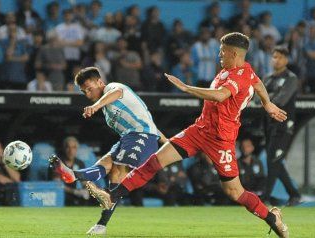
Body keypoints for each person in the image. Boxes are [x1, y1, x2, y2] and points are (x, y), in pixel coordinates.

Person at [85, 32, 289, 238]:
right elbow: (259, 83)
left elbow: (220, 95)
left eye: (223, 51)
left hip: (221, 140)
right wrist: (267, 103)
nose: (219, 54)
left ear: (234, 53)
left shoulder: (239, 76)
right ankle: (111, 198)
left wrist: (185, 87)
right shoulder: (243, 70)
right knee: (153, 162)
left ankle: (272, 218)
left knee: (234, 192)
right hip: (199, 130)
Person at [49, 66, 167, 235]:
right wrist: (170, 143)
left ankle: (104, 198)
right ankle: (75, 179)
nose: (88, 95)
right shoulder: (107, 111)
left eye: (90, 89)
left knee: (117, 173)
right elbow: (154, 126)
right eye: (84, 92)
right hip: (129, 138)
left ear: (100, 82)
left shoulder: (112, 87)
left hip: (142, 136)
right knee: (105, 165)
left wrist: (96, 106)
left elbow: (118, 92)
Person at [262, 46, 301, 206]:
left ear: (286, 59)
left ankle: (264, 198)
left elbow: (281, 100)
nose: (276, 60)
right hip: (269, 124)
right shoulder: (267, 78)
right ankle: (294, 194)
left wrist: (267, 99)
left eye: (279, 57)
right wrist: (269, 99)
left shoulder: (291, 78)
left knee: (273, 161)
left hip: (284, 125)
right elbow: (257, 99)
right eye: (274, 56)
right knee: (275, 161)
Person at [48, 137, 89, 206]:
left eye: (74, 147)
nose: (71, 151)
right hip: (59, 196)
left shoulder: (80, 163)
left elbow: (84, 182)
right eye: (68, 147)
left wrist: (86, 190)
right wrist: (74, 192)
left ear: (77, 149)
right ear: (64, 148)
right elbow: (57, 185)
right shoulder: (57, 163)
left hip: (74, 197)